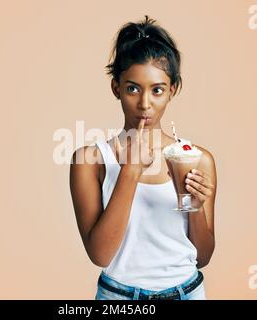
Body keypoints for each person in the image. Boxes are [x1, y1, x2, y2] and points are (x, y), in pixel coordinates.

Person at [69, 15, 217, 300]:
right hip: (119, 297)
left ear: (173, 90)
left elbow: (202, 257)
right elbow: (100, 254)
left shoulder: (197, 160)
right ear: (117, 88)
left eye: (157, 90)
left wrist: (194, 205)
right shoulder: (89, 161)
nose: (145, 104)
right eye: (133, 88)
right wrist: (130, 171)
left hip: (188, 293)